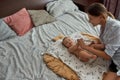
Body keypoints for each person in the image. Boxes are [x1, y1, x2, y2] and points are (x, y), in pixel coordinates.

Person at [78, 3, 120, 80]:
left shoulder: (116, 28)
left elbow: (107, 56)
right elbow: (108, 43)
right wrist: (97, 45)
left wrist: (86, 47)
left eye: (91, 18)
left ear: (100, 17)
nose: (89, 21)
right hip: (114, 61)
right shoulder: (103, 25)